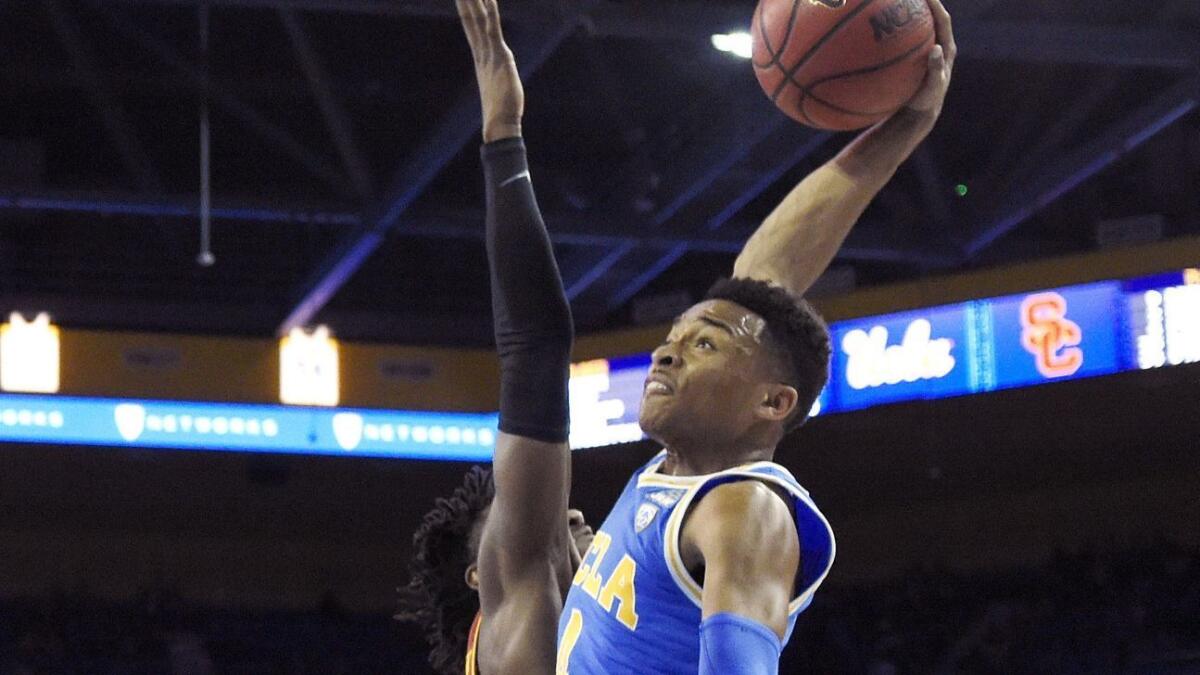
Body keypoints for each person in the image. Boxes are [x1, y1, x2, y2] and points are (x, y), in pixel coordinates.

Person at [555, 1, 957, 673]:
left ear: (772, 402)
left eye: (703, 344)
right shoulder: (679, 477)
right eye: (677, 335)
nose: (666, 349)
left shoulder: (743, 508)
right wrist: (905, 126)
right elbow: (763, 276)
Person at [396, 0, 594, 672]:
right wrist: (502, 135)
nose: (572, 517)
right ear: (486, 576)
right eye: (547, 513)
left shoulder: (600, 631)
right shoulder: (522, 610)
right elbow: (536, 344)